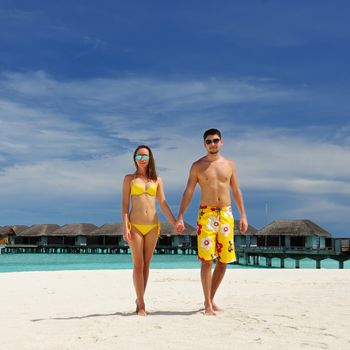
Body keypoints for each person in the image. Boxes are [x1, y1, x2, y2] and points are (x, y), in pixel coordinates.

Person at [175, 128, 248, 316]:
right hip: (206, 215)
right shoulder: (197, 166)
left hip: (226, 214)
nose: (212, 144)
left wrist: (243, 215)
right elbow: (188, 192)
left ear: (221, 142)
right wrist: (181, 215)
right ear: (204, 144)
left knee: (224, 261)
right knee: (207, 261)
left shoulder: (230, 165)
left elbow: (236, 190)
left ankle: (210, 298)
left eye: (215, 140)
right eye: (209, 141)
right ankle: (207, 303)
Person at [122, 145, 177, 316]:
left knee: (146, 266)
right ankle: (142, 305)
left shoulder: (157, 180)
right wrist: (125, 227)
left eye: (145, 156)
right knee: (138, 266)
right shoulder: (129, 179)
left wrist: (175, 222)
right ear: (135, 159)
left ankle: (139, 299)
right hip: (136, 225)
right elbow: (125, 206)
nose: (142, 159)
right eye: (139, 156)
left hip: (153, 226)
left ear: (150, 158)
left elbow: (163, 203)